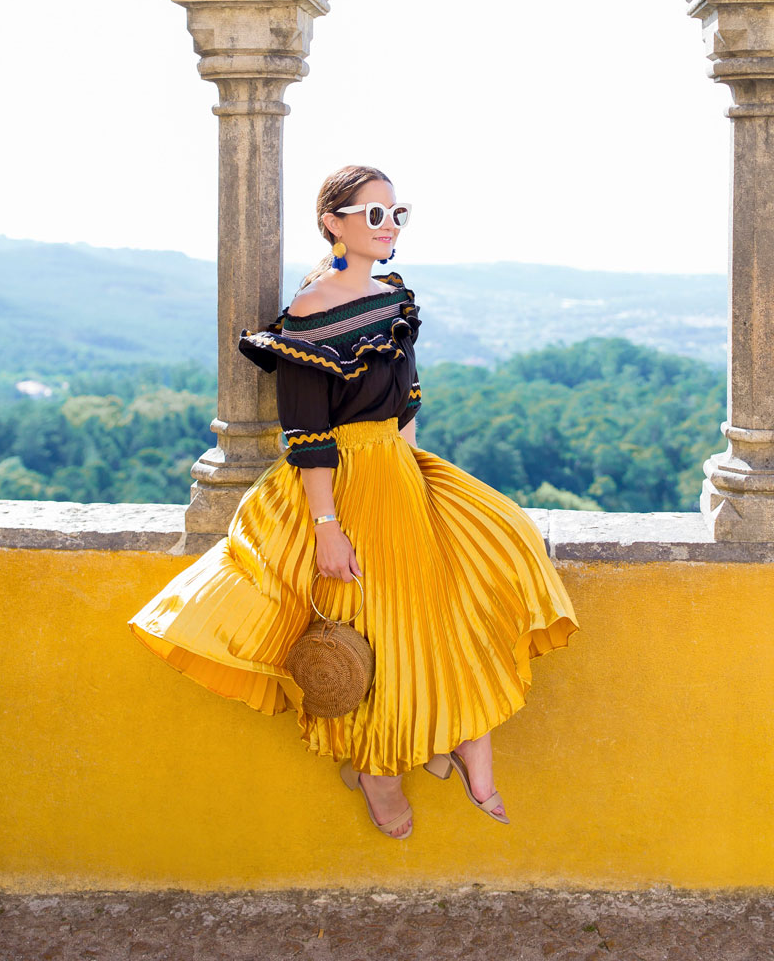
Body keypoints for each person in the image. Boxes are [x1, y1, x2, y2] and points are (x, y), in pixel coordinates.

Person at [128, 163, 580, 841]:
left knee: (455, 594)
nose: (389, 225)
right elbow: (307, 435)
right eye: (374, 214)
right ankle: (380, 771)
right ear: (333, 223)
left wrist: (416, 473)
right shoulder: (310, 314)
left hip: (397, 473)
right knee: (375, 629)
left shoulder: (393, 297)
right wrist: (328, 528)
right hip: (342, 484)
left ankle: (454, 737)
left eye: (397, 213)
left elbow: (408, 403)